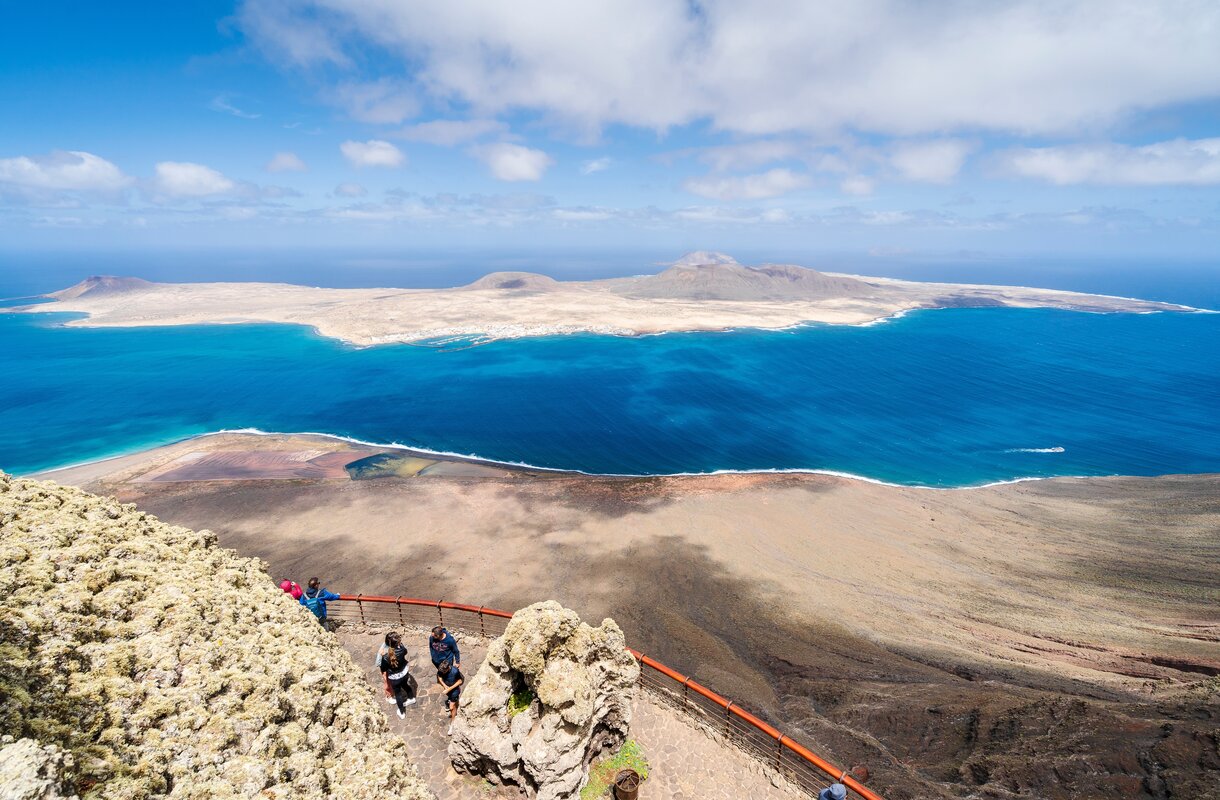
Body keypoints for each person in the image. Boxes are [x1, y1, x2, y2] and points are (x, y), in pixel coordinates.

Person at [379, 632, 416, 719]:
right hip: (404, 673)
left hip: (395, 678)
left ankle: (402, 712)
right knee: (406, 685)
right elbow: (405, 651)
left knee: (398, 694)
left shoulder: (386, 657)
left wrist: (382, 655)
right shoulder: (402, 649)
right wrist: (400, 645)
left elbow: (383, 668)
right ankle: (411, 698)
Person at [436, 657, 463, 735]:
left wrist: (449, 689)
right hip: (448, 690)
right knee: (454, 702)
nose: (442, 673)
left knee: (451, 707)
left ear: (448, 668)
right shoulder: (441, 669)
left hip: (454, 690)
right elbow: (439, 677)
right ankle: (456, 703)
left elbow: (460, 681)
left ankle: (452, 723)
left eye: (444, 672)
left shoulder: (455, 671)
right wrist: (444, 686)